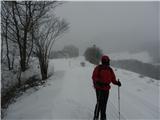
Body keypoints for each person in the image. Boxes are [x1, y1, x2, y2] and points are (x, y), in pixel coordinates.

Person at [92, 55, 121, 120]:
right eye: (108, 61)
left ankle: (103, 117)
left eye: (108, 61)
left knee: (104, 103)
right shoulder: (98, 68)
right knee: (99, 102)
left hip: (106, 89)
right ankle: (96, 116)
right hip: (99, 88)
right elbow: (94, 76)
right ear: (104, 61)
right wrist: (97, 82)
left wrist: (117, 83)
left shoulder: (110, 70)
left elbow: (113, 79)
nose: (108, 62)